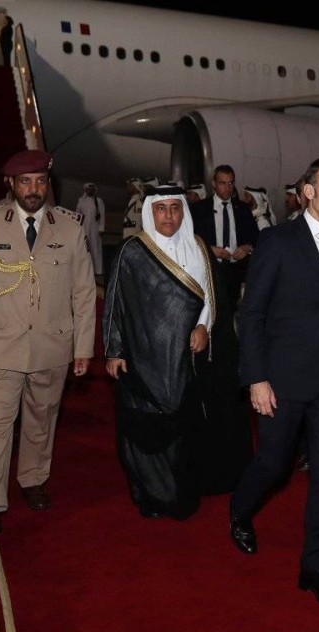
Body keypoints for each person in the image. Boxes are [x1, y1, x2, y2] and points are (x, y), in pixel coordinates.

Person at [229, 156, 319, 610]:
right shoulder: (277, 241)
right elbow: (253, 314)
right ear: (308, 191)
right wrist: (256, 378)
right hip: (282, 379)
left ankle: (315, 569)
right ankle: (240, 510)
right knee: (274, 463)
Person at [0, 150, 96, 537]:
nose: (33, 189)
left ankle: (32, 479)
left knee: (41, 419)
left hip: (52, 344)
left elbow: (84, 294)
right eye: (25, 182)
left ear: (48, 184)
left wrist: (83, 348)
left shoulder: (70, 228)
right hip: (0, 344)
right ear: (11, 184)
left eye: (40, 181)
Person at [103, 186, 216, 518]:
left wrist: (203, 327)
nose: (169, 215)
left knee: (182, 425)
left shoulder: (198, 247)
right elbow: (115, 302)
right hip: (141, 357)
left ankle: (179, 493)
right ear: (150, 212)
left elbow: (209, 296)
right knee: (143, 427)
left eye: (175, 208)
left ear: (184, 212)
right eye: (161, 208)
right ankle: (151, 496)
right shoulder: (132, 251)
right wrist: (114, 350)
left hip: (183, 359)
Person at [191, 164, 259, 308]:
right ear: (214, 184)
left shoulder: (242, 209)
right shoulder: (199, 209)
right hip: (209, 270)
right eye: (222, 183)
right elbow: (190, 239)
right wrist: (209, 249)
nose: (227, 188)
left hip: (234, 272)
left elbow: (257, 238)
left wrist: (247, 248)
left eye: (230, 183)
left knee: (230, 311)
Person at [76, 182, 107, 276]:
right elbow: (78, 215)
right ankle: (87, 270)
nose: (91, 191)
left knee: (96, 249)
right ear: (85, 190)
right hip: (84, 229)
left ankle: (98, 270)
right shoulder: (81, 201)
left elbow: (102, 215)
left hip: (95, 229)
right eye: (89, 189)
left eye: (92, 189)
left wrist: (101, 228)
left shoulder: (99, 201)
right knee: (85, 249)